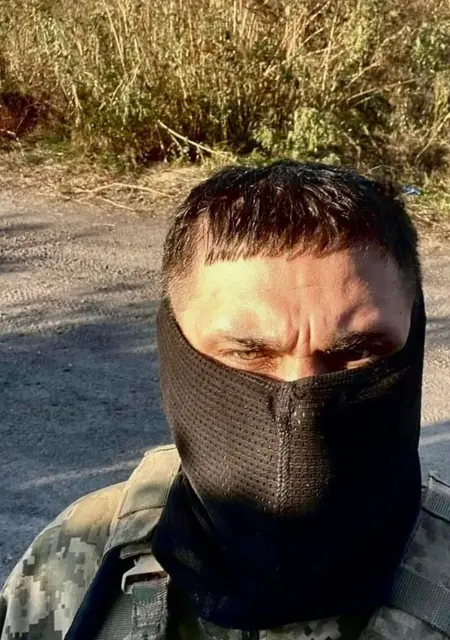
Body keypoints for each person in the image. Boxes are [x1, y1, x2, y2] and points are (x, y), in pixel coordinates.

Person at [1, 161, 449, 640]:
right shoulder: (73, 561)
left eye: (358, 352)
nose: (300, 402)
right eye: (246, 352)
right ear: (174, 344)